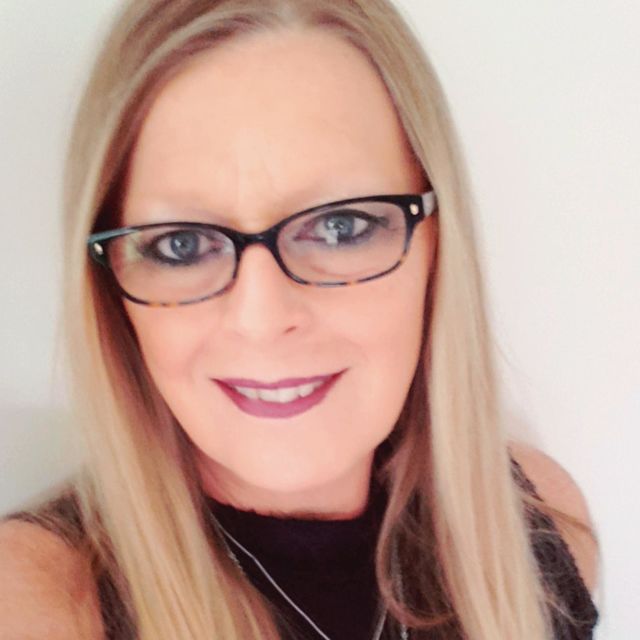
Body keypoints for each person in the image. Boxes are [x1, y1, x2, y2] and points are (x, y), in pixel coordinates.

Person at [0, 1, 599, 638]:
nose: (261, 318)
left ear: (439, 248)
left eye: (341, 226)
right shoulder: (39, 604)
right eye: (181, 244)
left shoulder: (536, 528)